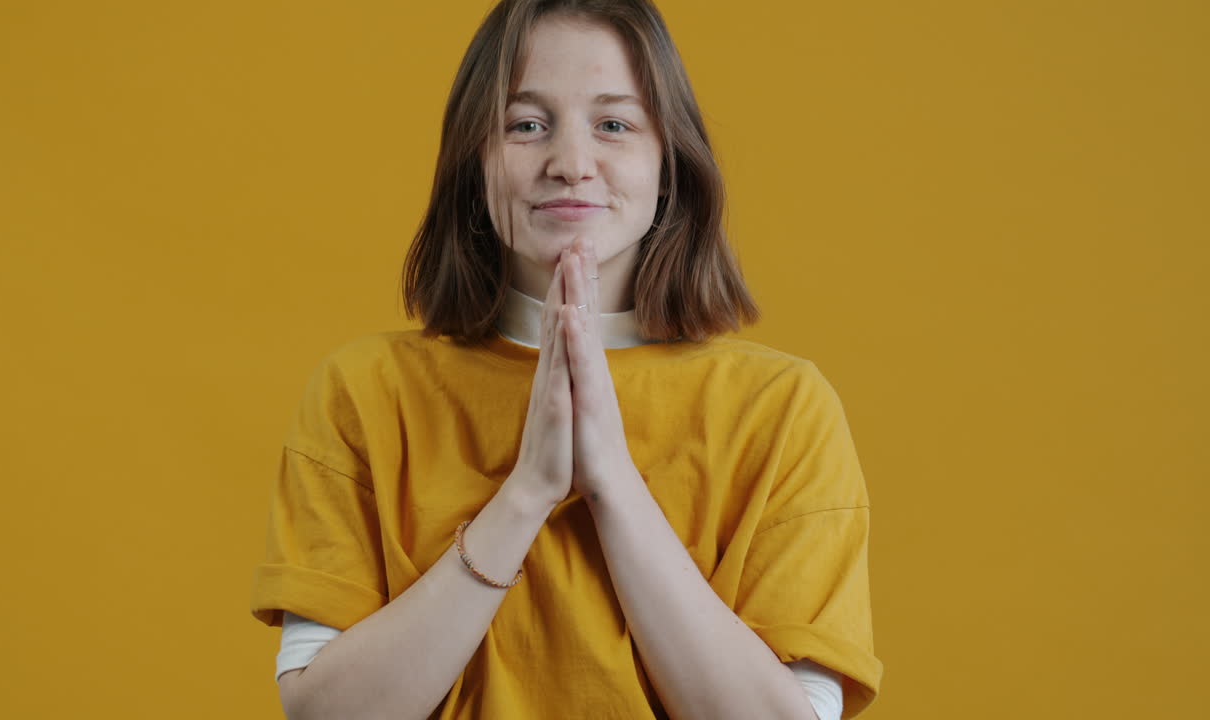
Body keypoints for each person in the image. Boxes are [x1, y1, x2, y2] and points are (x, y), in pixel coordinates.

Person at [248, 1, 884, 718]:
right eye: (526, 125)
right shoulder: (362, 392)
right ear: (474, 166)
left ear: (668, 165)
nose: (571, 164)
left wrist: (611, 482)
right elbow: (325, 714)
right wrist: (527, 492)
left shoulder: (783, 409)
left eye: (614, 124)